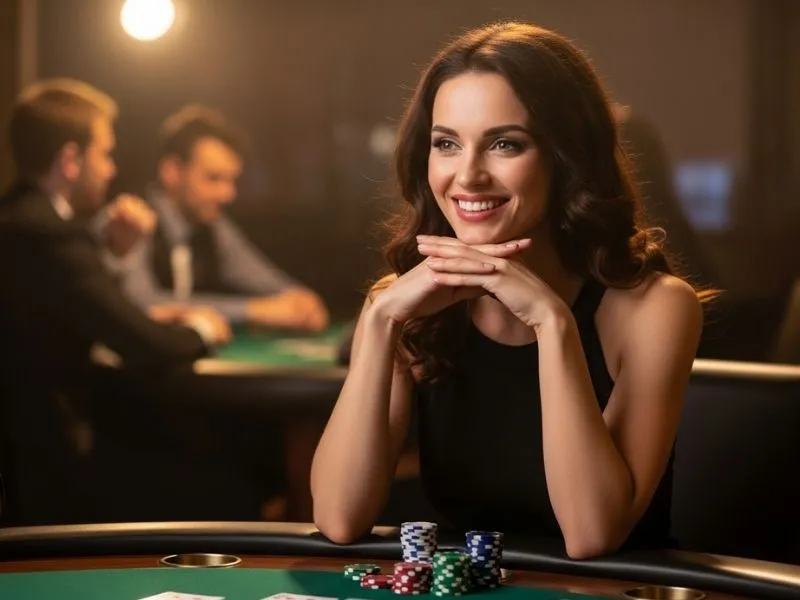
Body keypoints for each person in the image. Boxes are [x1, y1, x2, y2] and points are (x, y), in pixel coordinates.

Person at [310, 22, 707, 559]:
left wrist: (553, 322)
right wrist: (380, 322)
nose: (468, 176)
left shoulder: (654, 309)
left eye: (504, 144)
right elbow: (338, 517)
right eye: (446, 144)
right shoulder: (400, 303)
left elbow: (592, 535)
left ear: (567, 156)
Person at [0, 78, 230, 524]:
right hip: (45, 470)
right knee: (224, 485)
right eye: (104, 153)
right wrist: (203, 328)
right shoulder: (47, 236)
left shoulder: (19, 220)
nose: (110, 168)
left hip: (30, 457)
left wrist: (112, 255)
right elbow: (145, 346)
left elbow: (81, 313)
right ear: (70, 159)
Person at [115, 105, 329, 331]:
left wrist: (300, 301)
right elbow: (145, 305)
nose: (228, 194)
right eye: (213, 178)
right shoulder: (130, 217)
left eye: (232, 180)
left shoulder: (213, 225)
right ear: (172, 171)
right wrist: (253, 311)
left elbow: (265, 280)